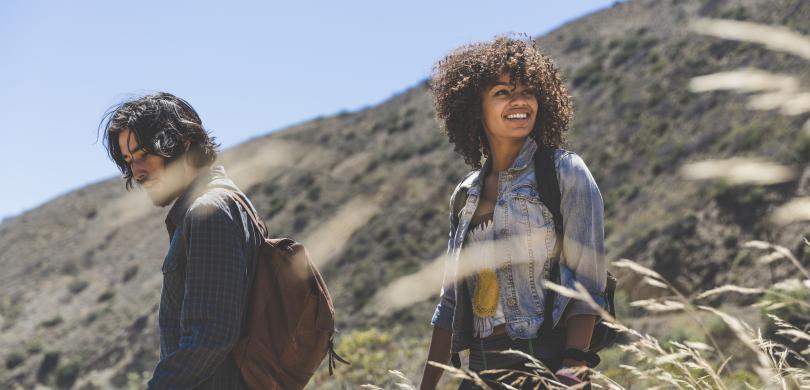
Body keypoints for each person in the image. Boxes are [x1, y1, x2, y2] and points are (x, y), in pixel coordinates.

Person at [420, 36, 608, 389]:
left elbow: (589, 285)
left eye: (528, 91)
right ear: (476, 109)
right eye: (503, 92)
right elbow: (450, 303)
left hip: (545, 363)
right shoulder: (465, 193)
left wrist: (572, 372)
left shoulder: (565, 173)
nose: (520, 101)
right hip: (478, 368)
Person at [101, 93, 262, 389]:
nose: (137, 171)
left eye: (144, 153)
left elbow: (211, 336)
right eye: (129, 160)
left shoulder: (208, 212)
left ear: (184, 144)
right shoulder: (220, 204)